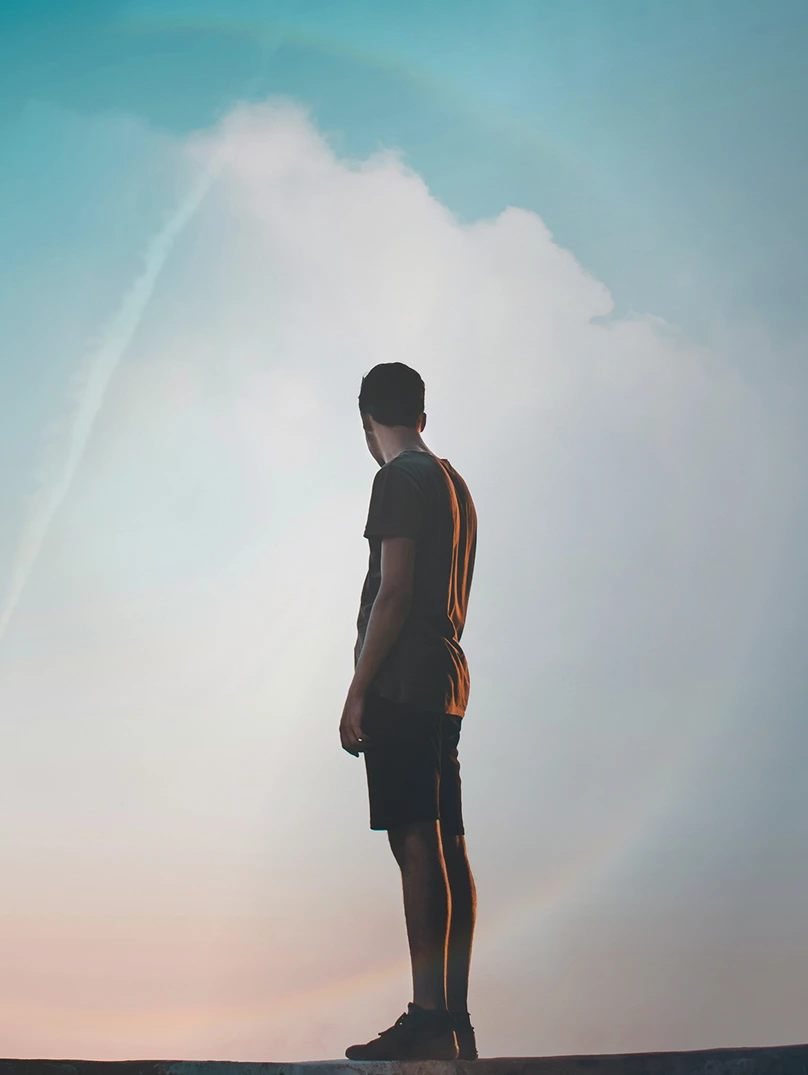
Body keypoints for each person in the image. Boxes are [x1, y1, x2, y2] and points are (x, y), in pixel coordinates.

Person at [339, 362, 478, 1061]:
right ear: (420, 413)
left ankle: (428, 1014)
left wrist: (357, 688)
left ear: (369, 421)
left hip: (402, 684)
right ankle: (452, 1013)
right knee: (448, 842)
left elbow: (393, 593)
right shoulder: (454, 483)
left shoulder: (398, 478)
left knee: (415, 841)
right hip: (446, 680)